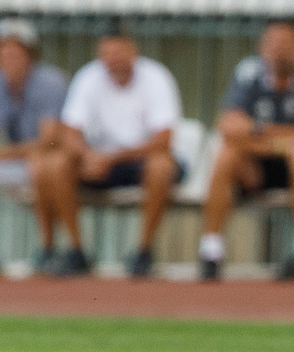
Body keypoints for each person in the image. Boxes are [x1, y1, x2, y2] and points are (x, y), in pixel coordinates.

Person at [199, 21, 294, 282]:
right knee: (227, 154)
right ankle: (211, 251)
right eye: (273, 45)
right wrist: (279, 138)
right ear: (261, 48)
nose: (279, 52)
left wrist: (254, 131)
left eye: (286, 45)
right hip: (260, 166)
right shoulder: (248, 72)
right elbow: (228, 126)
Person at [34, 28, 184, 278]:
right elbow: (70, 132)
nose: (112, 59)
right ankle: (75, 250)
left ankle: (143, 251)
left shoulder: (156, 76)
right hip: (99, 161)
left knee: (161, 167)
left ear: (133, 50)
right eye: (106, 53)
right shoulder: (88, 77)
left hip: (139, 161)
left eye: (118, 51)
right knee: (55, 164)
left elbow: (163, 140)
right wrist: (88, 156)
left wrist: (111, 158)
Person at [0, 18, 69, 273]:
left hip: (53, 160)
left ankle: (48, 249)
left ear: (30, 55)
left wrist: (2, 154)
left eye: (15, 53)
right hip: (17, 160)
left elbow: (47, 141)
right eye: (3, 53)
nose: (8, 59)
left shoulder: (50, 82)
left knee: (41, 165)